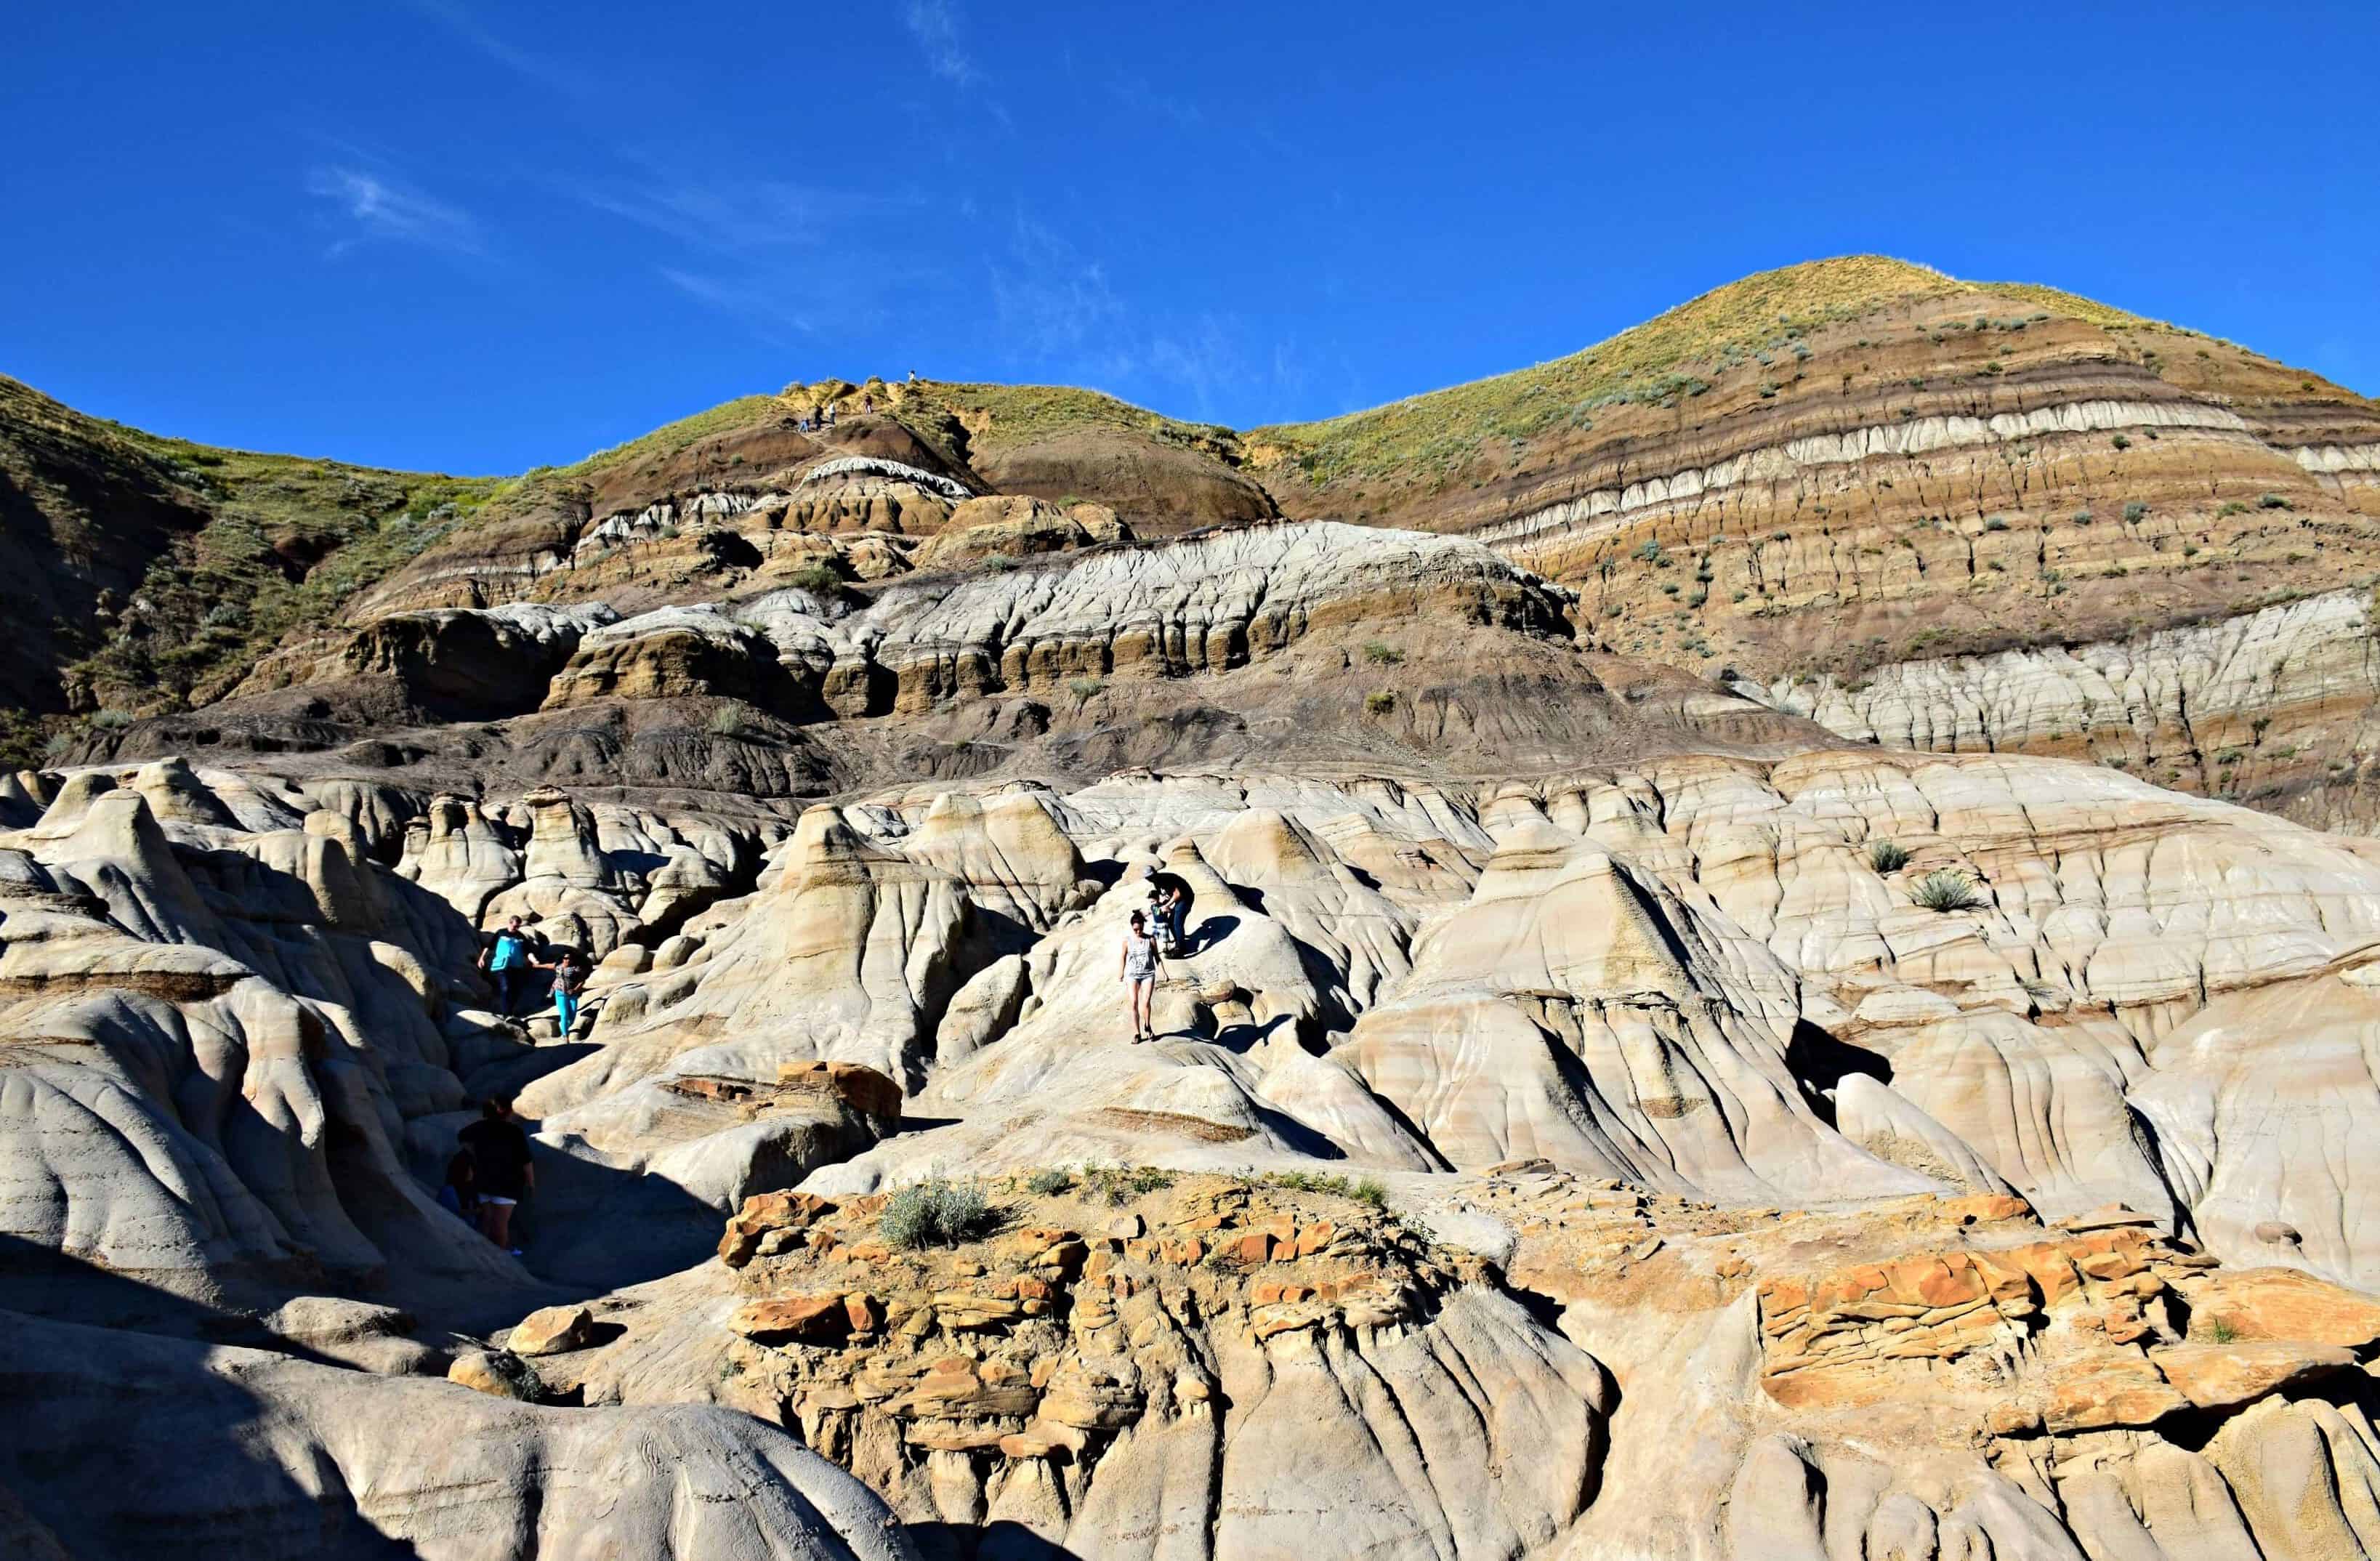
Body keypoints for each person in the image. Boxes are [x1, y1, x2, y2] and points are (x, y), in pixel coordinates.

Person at [458, 1097, 535, 1254]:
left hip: (483, 1182)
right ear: (503, 1111)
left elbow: (461, 1137)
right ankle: (501, 1261)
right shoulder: (514, 1132)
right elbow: (526, 1161)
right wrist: (531, 1183)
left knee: (487, 1221)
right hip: (507, 1185)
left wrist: (473, 1153)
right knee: (500, 1226)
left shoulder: (479, 1127)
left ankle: (484, 1256)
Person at [1121, 909, 1159, 1043]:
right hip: (1133, 975)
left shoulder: (1150, 939)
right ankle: (1137, 1033)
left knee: (1146, 1001)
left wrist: (1164, 971)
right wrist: (1121, 971)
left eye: (1140, 929)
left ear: (1143, 926)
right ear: (1132, 927)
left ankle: (1147, 1026)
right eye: (1136, 929)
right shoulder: (1127, 941)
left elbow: (1157, 957)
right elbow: (1123, 957)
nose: (1138, 932)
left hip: (1148, 974)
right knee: (1134, 1003)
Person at [480, 916, 533, 1013]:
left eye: (518, 927)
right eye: (514, 926)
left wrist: (534, 960)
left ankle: (510, 1012)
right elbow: (489, 946)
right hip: (501, 966)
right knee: (505, 988)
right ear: (510, 923)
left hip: (516, 967)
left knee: (515, 990)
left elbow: (528, 951)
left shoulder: (521, 936)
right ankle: (506, 1014)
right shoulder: (501, 933)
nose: (515, 928)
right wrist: (482, 958)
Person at [540, 947, 589, 1038]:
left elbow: (582, 981)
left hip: (572, 995)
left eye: (569, 958)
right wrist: (537, 965)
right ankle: (565, 1036)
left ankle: (562, 1026)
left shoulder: (576, 969)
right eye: (565, 958)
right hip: (560, 993)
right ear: (562, 959)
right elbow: (548, 966)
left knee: (572, 1017)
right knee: (564, 1015)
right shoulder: (558, 967)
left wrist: (575, 990)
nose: (567, 960)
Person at [1148, 871, 1191, 953]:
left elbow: (1177, 894)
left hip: (1186, 898)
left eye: (1151, 877)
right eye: (1148, 879)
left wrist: (1167, 905)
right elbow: (1166, 895)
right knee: (1171, 922)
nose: (1150, 880)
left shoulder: (1165, 879)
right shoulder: (1156, 882)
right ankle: (1178, 943)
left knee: (1177, 922)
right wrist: (1166, 900)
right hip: (1179, 901)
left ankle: (1181, 949)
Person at [435, 1150, 479, 1219]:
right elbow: (457, 1212)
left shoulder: (468, 1189)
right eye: (472, 1168)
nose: (473, 1172)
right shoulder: (449, 1191)